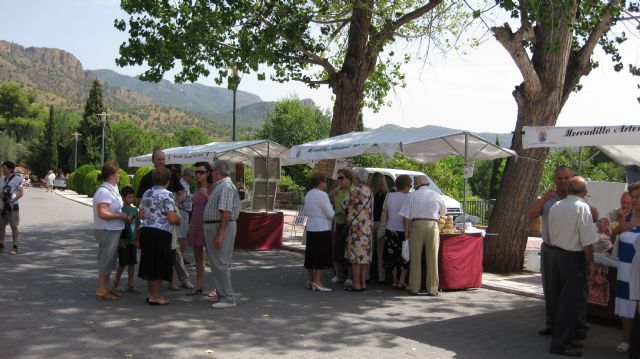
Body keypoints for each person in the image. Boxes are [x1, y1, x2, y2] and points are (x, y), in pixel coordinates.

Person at [527, 165, 597, 337]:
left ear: (571, 179)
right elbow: (530, 215)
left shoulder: (581, 200)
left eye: (566, 178)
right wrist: (544, 199)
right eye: (560, 178)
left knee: (576, 294)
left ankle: (578, 327)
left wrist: (585, 201)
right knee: (551, 290)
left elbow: (595, 216)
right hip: (551, 250)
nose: (563, 182)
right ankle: (552, 325)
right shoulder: (550, 199)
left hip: (572, 252)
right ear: (555, 179)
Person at [547, 176, 597, 357]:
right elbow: (587, 240)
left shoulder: (556, 206)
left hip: (557, 255)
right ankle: (560, 343)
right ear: (584, 193)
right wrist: (591, 262)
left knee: (561, 300)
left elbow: (552, 234)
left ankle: (564, 338)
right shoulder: (581, 207)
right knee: (570, 303)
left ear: (568, 190)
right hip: (572, 258)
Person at [138, 166, 180, 305]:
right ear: (167, 180)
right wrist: (178, 221)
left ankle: (151, 293)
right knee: (158, 263)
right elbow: (172, 218)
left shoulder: (146, 193)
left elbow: (141, 214)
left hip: (147, 230)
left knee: (149, 262)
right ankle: (155, 296)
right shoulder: (167, 194)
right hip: (161, 232)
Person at [399, 174, 446, 296]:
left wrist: (406, 232)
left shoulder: (412, 195)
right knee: (432, 258)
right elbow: (444, 211)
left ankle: (414, 288)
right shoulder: (435, 195)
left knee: (415, 258)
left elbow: (405, 216)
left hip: (417, 225)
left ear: (416, 185)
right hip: (432, 226)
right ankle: (432, 288)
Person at [203, 160, 240, 309]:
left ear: (217, 172)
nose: (210, 173)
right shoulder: (222, 186)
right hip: (215, 225)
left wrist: (220, 234)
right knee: (218, 262)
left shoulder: (225, 186)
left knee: (221, 263)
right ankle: (222, 293)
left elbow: (226, 212)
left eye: (212, 171)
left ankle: (227, 297)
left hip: (219, 225)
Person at [92, 162, 131, 300]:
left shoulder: (112, 189)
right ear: (110, 175)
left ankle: (107, 287)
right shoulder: (103, 192)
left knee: (109, 260)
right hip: (107, 229)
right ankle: (101, 289)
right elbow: (103, 213)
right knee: (105, 259)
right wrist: (120, 216)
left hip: (113, 229)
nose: (119, 175)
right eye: (117, 173)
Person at [610, 182, 640, 353]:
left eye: (638, 197)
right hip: (623, 269)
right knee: (625, 304)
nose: (635, 200)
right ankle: (626, 340)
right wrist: (617, 231)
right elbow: (614, 243)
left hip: (638, 271)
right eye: (634, 197)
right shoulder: (626, 218)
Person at [186, 162, 215, 297]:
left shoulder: (213, 187)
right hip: (196, 224)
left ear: (208, 173)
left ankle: (218, 287)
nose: (198, 174)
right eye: (196, 172)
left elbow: (216, 206)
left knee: (214, 258)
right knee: (198, 258)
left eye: (201, 172)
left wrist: (205, 194)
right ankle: (199, 284)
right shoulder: (196, 188)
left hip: (209, 225)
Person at [302, 172, 334, 291]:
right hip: (322, 227)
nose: (326, 183)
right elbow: (330, 214)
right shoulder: (323, 195)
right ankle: (317, 281)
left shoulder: (309, 194)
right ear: (321, 183)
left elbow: (305, 212)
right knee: (320, 255)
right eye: (325, 181)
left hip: (311, 226)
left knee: (311, 254)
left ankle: (310, 279)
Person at [343, 168, 373, 292]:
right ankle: (363, 284)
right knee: (364, 259)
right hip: (367, 230)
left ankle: (356, 285)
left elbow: (344, 205)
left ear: (356, 178)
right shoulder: (370, 191)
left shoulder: (355, 190)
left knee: (356, 259)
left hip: (357, 229)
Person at [381, 174, 411, 289]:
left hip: (390, 228)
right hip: (404, 230)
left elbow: (385, 211)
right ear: (406, 186)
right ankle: (402, 281)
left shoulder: (389, 196)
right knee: (405, 256)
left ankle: (394, 280)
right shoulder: (408, 197)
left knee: (392, 257)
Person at [113, 186, 141, 294]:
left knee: (132, 262)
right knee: (123, 262)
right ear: (123, 198)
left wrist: (137, 239)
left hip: (132, 240)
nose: (131, 199)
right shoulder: (120, 210)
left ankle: (130, 284)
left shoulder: (134, 210)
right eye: (129, 197)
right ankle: (116, 282)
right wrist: (119, 241)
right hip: (123, 241)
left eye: (132, 197)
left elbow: (138, 225)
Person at [329, 168, 354, 285]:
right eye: (338, 177)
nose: (339, 180)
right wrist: (330, 196)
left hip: (351, 224)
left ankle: (349, 277)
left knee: (350, 251)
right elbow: (329, 204)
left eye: (341, 178)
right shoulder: (337, 190)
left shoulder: (354, 190)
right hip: (339, 222)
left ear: (349, 179)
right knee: (338, 249)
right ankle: (338, 275)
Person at [0, 161, 23, 255]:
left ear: (10, 169)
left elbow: (21, 193)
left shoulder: (16, 179)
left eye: (5, 168)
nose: (3, 170)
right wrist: (3, 197)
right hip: (1, 206)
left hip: (13, 207)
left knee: (14, 226)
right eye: (2, 168)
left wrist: (12, 200)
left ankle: (15, 246)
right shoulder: (1, 178)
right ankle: (1, 244)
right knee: (1, 227)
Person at [370, 172, 389, 283]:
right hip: (381, 224)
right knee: (380, 251)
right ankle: (381, 277)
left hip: (369, 223)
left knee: (369, 252)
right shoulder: (386, 194)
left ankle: (367, 275)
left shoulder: (369, 193)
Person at [177, 167, 194, 263]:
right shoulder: (184, 184)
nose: (193, 179)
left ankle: (179, 257)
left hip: (182, 211)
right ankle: (180, 258)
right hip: (182, 211)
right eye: (192, 177)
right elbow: (181, 197)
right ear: (186, 176)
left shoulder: (183, 183)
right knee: (182, 236)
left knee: (181, 235)